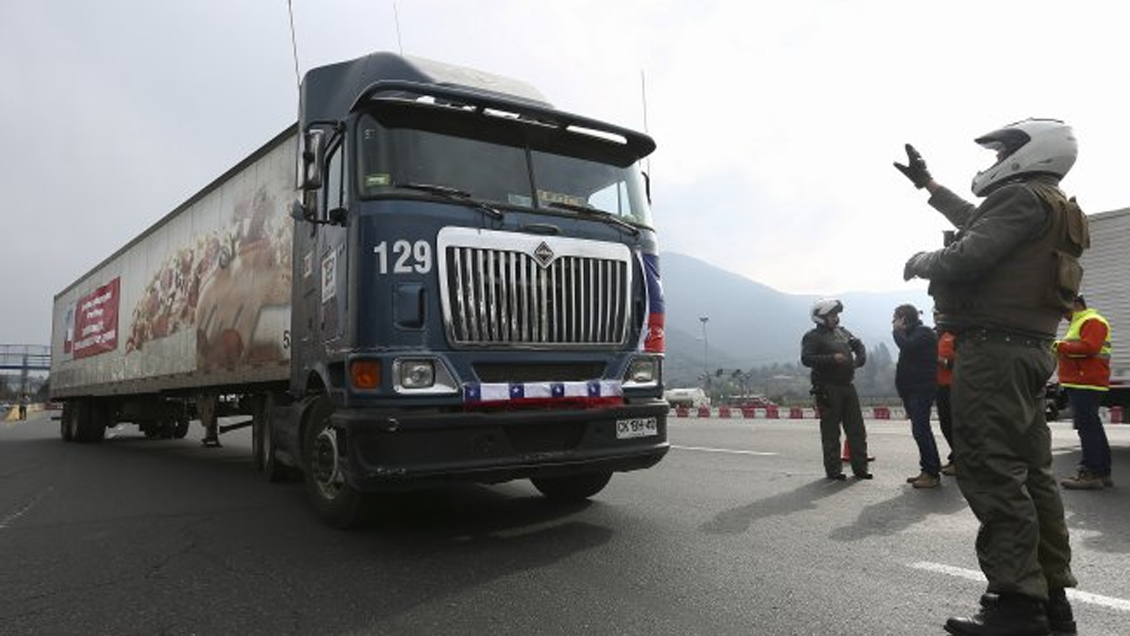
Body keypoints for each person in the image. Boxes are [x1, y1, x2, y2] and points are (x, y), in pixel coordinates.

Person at [896, 118, 1086, 635]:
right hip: (1028, 351)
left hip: (993, 352)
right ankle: (1050, 599)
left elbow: (968, 252)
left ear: (1031, 153)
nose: (995, 158)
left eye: (1003, 149)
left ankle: (1015, 605)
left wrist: (921, 260)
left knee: (990, 466)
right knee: (1034, 473)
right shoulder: (1053, 204)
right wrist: (930, 187)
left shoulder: (1022, 199)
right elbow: (980, 220)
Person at [801, 298, 871, 481]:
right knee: (831, 431)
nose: (836, 318)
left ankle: (861, 469)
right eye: (832, 314)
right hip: (827, 387)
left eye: (836, 314)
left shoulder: (842, 332)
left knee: (857, 429)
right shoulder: (812, 336)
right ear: (821, 317)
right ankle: (834, 471)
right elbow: (806, 358)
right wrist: (832, 358)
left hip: (848, 385)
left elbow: (858, 344)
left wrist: (860, 359)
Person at [1055, 294, 1112, 490]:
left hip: (1086, 382)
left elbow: (1090, 348)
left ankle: (1091, 473)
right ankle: (1102, 473)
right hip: (1083, 381)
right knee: (1092, 426)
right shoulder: (1081, 322)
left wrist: (1058, 346)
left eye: (1064, 309)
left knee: (1087, 428)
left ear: (1076, 304)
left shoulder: (1092, 321)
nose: (1063, 315)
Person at [892, 304, 941, 488]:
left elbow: (907, 347)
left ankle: (931, 473)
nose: (893, 323)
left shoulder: (924, 333)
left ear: (904, 318)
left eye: (895, 319)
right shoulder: (912, 334)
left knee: (921, 431)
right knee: (922, 431)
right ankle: (928, 469)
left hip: (921, 390)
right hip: (911, 392)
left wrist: (896, 331)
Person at [935, 319, 957, 476]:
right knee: (945, 425)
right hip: (940, 386)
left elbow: (965, 360)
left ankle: (960, 461)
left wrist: (944, 362)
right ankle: (955, 456)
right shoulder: (937, 334)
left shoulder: (958, 334)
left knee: (954, 425)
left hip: (955, 387)